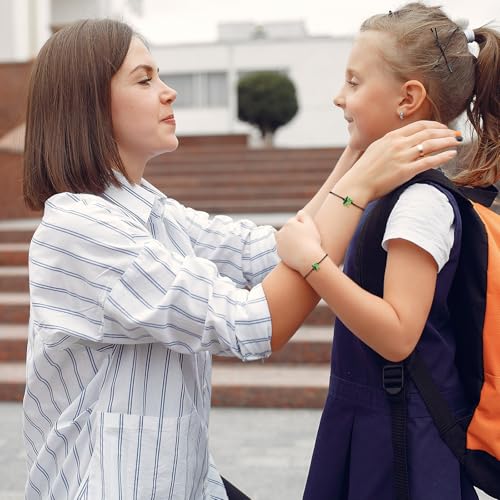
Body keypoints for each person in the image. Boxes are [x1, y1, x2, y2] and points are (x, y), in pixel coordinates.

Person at [22, 18, 461, 500]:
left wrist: (355, 155)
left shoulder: (150, 208)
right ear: (88, 103)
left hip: (188, 484)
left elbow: (265, 254)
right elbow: (251, 323)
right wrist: (356, 188)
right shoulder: (80, 229)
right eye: (144, 80)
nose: (169, 92)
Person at [276, 3, 499, 499]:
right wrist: (355, 153)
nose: (339, 97)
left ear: (409, 98)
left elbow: (398, 335)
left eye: (354, 82)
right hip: (376, 424)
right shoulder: (388, 192)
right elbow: (313, 225)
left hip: (400, 446)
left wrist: (314, 264)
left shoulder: (420, 203)